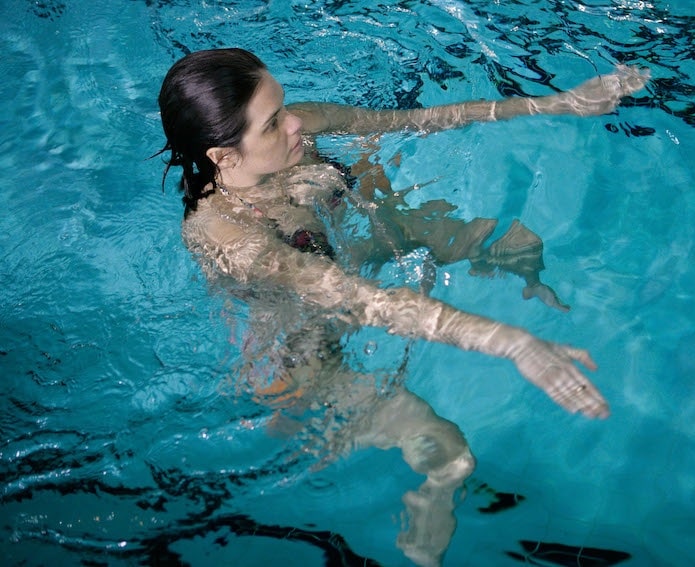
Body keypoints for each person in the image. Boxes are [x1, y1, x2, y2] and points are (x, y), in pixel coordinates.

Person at [156, 47, 648, 566]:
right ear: (224, 156)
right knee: (452, 453)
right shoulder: (229, 234)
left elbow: (420, 120)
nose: (297, 121)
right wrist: (512, 342)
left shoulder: (298, 135)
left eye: (284, 106)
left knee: (520, 244)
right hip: (300, 351)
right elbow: (359, 301)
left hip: (352, 251)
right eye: (274, 122)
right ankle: (429, 511)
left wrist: (559, 103)